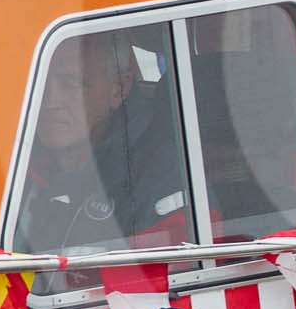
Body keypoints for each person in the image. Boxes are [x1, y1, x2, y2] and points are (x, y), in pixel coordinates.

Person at [13, 32, 189, 273]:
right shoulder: (9, 157)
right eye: (39, 81)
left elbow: (159, 287)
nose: (49, 101)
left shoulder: (162, 177)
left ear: (119, 88)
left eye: (71, 84)